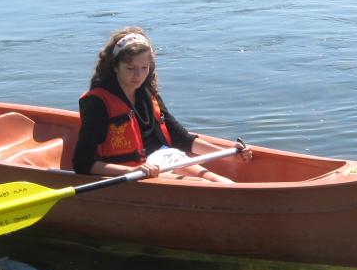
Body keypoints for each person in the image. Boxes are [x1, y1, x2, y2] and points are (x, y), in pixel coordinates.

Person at [72, 26, 250, 183]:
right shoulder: (97, 102)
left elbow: (180, 138)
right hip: (132, 172)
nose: (138, 76)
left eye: (144, 67)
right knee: (209, 187)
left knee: (217, 181)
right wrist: (131, 171)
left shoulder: (148, 93)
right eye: (130, 68)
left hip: (164, 158)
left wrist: (229, 154)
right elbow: (82, 163)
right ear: (115, 66)